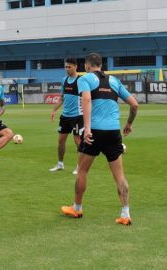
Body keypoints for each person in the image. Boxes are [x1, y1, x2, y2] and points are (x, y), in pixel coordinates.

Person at [61, 53, 138, 225]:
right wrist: (129, 124)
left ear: (87, 66)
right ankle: (125, 213)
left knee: (82, 170)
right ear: (101, 65)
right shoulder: (114, 81)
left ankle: (77, 208)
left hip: (94, 131)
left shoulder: (85, 79)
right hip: (113, 132)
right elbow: (134, 105)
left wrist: (87, 128)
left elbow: (86, 99)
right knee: (119, 176)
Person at [50, 58, 83, 175]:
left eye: (69, 67)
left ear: (76, 66)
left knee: (78, 141)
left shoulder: (81, 80)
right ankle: (60, 164)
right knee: (60, 141)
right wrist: (54, 110)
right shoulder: (64, 80)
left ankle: (80, 166)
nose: (67, 69)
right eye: (66, 67)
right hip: (65, 116)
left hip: (78, 116)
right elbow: (62, 98)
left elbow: (87, 98)